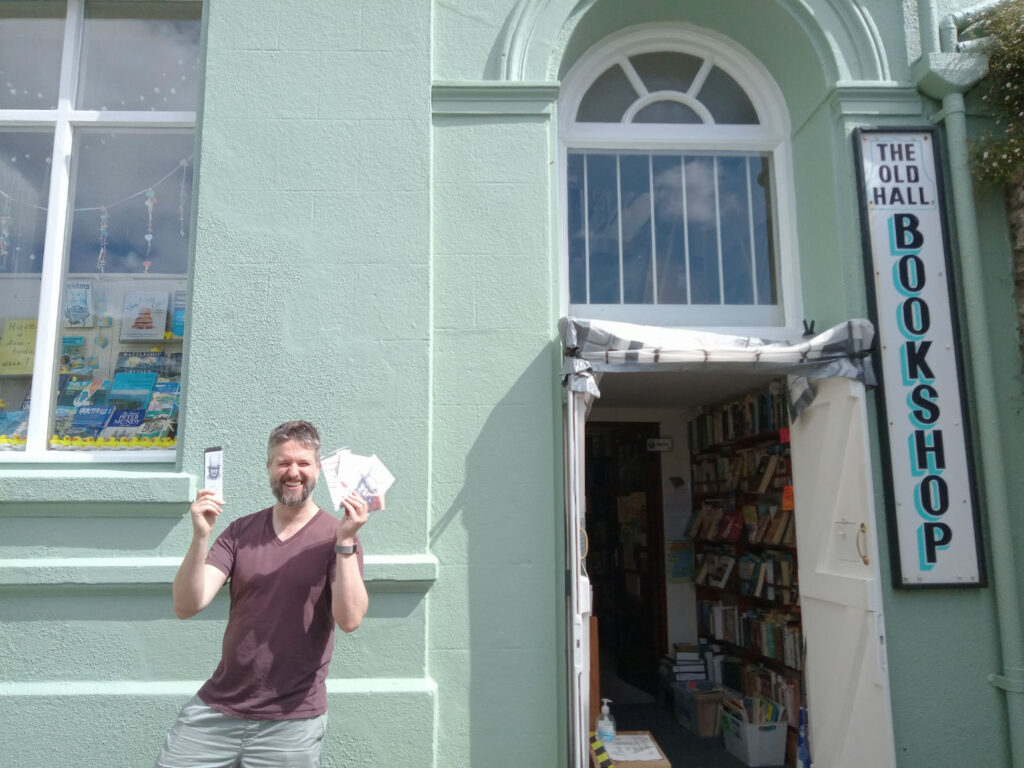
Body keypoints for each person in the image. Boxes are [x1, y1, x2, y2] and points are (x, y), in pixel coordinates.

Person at [155, 420, 372, 768]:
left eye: (303, 462)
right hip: (218, 710)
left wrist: (346, 542)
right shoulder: (240, 531)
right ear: (268, 467)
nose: (293, 471)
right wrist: (200, 536)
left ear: (317, 469)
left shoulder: (338, 536)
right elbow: (186, 604)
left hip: (292, 719)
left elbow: (350, 619)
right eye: (283, 462)